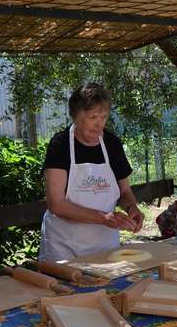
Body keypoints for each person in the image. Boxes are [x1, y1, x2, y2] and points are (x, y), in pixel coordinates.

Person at [39, 83, 145, 261]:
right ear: (76, 116)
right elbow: (56, 204)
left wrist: (132, 207)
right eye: (93, 117)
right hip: (63, 247)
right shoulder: (60, 145)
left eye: (103, 117)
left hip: (105, 246)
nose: (99, 124)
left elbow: (124, 191)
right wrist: (103, 217)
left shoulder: (112, 144)